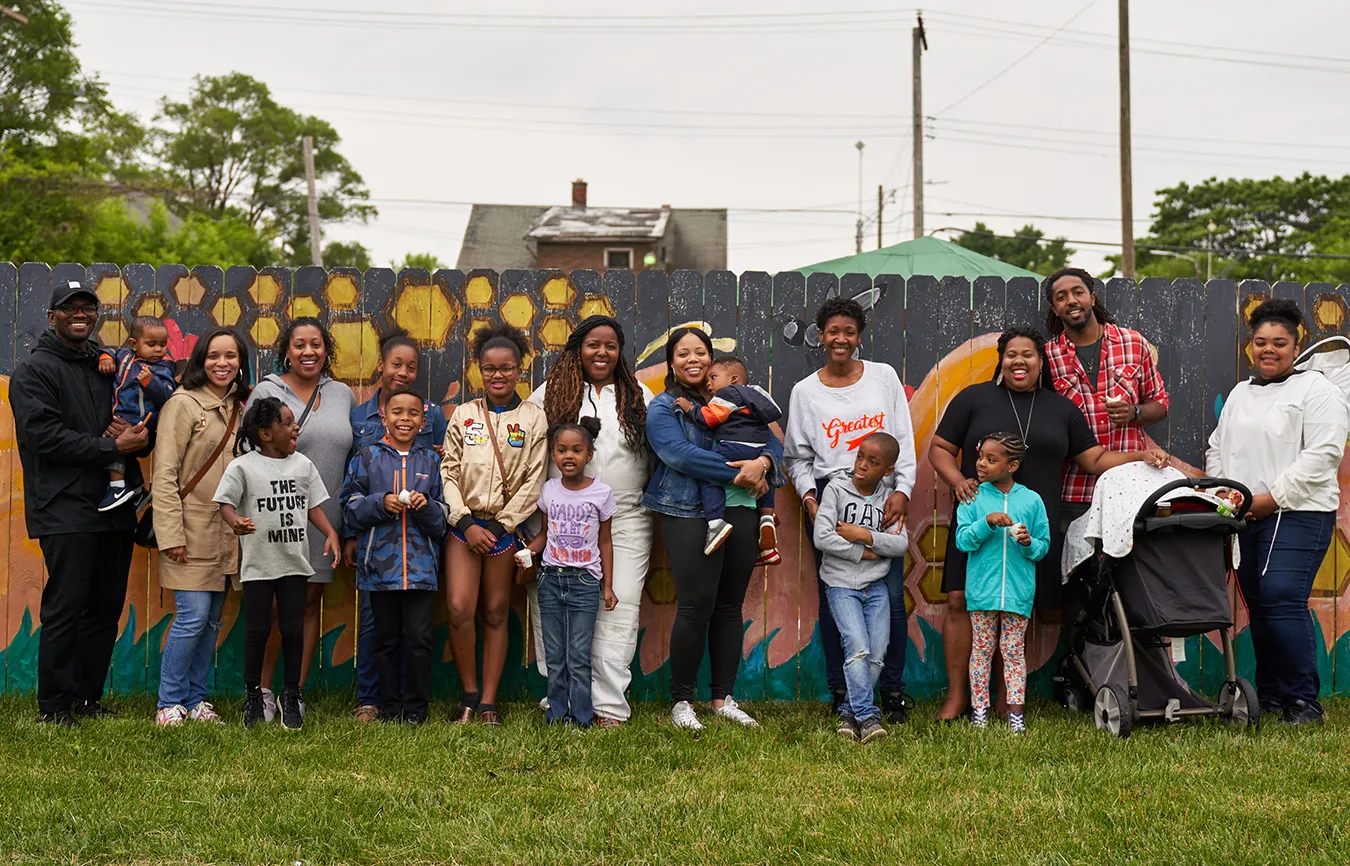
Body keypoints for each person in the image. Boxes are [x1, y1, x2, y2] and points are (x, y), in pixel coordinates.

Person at [929, 327, 1168, 721]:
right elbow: (940, 448)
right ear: (1000, 360)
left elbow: (1094, 459)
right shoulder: (973, 399)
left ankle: (1009, 701)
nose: (1018, 361)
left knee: (1021, 609)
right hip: (977, 517)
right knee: (959, 601)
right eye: (1010, 355)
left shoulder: (1062, 409)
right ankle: (958, 699)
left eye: (1028, 355)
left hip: (1031, 526)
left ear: (1042, 363)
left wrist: (1141, 454)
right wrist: (958, 481)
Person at [10, 277, 150, 726]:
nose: (81, 314)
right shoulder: (35, 372)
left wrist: (137, 439)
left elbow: (131, 420)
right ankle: (53, 707)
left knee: (105, 608)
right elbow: (42, 437)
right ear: (52, 317)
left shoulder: (106, 366)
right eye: (70, 308)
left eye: (88, 308)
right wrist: (113, 449)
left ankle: (86, 699)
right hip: (64, 507)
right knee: (66, 608)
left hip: (114, 507)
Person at [1206, 298, 1347, 726]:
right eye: (1260, 342)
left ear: (1296, 343)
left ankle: (1304, 703)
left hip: (1299, 511)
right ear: (1250, 345)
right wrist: (1227, 496)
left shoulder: (1318, 390)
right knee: (1261, 602)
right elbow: (1217, 448)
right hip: (1245, 515)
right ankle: (1269, 696)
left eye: (1279, 343)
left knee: (1283, 596)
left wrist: (1268, 499)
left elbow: (1323, 455)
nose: (1269, 350)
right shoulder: (1240, 393)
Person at [783, 297, 915, 723]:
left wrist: (904, 490)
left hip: (881, 491)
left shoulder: (883, 378)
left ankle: (891, 691)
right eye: (832, 331)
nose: (841, 339)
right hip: (830, 494)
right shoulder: (805, 391)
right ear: (820, 336)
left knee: (890, 595)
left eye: (849, 331)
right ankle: (842, 692)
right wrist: (808, 496)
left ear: (859, 336)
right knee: (833, 593)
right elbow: (796, 458)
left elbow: (903, 439)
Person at [644, 327, 778, 731]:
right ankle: (682, 701)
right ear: (671, 363)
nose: (693, 359)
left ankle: (723, 698)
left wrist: (765, 465)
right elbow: (677, 454)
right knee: (695, 605)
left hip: (741, 511)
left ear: (710, 359)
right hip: (685, 510)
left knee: (729, 606)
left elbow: (771, 443)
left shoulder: (737, 400)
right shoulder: (665, 407)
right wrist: (738, 473)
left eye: (699, 352)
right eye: (683, 353)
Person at [528, 315, 654, 727]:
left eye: (611, 346)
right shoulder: (549, 394)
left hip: (626, 520)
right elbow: (523, 447)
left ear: (620, 353)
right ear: (577, 349)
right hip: (562, 522)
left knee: (619, 606)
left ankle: (609, 707)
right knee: (556, 614)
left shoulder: (639, 397)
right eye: (593, 345)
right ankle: (560, 702)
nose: (602, 353)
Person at [441, 322, 548, 726]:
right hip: (462, 528)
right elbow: (447, 471)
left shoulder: (533, 419)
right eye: (489, 368)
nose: (498, 375)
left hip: (506, 532)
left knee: (497, 611)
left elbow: (535, 479)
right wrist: (465, 521)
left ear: (520, 369)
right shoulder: (464, 416)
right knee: (458, 608)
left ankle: (487, 703)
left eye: (506, 368)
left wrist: (502, 526)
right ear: (479, 370)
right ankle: (466, 694)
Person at [248, 317, 354, 721]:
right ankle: (263, 691)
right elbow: (251, 449)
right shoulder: (268, 390)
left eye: (316, 344)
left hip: (324, 516)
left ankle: (296, 690)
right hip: (278, 512)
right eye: (299, 345)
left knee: (310, 602)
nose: (308, 352)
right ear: (286, 351)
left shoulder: (341, 393)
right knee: (275, 606)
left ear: (326, 350)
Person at [213, 397, 342, 730]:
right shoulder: (243, 466)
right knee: (257, 629)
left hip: (295, 564)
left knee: (293, 629)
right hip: (259, 564)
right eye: (286, 422)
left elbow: (313, 505)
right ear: (266, 434)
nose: (294, 427)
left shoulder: (302, 465)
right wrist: (234, 521)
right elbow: (225, 502)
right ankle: (254, 695)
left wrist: (330, 533)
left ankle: (291, 695)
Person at [345, 327, 449, 723]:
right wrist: (381, 503)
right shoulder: (369, 456)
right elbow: (350, 503)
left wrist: (422, 507)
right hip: (379, 569)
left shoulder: (432, 462)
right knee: (384, 640)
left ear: (425, 421)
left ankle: (416, 709)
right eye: (397, 413)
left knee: (419, 640)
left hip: (421, 569)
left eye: (413, 414)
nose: (405, 419)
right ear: (383, 416)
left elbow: (443, 517)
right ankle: (386, 706)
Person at [150, 327, 250, 726]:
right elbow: (165, 474)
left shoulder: (239, 407)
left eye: (230, 356)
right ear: (200, 360)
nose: (222, 363)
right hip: (189, 528)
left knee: (211, 619)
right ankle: (168, 703)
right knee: (191, 616)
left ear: (241, 362)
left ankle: (195, 701)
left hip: (226, 532)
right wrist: (170, 535)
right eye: (213, 356)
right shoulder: (184, 404)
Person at [1042, 267, 1170, 527]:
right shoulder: (1047, 357)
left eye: (1078, 293)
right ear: (1055, 309)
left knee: (1130, 565)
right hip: (1074, 492)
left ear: (1092, 297)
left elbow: (1161, 404)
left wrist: (1135, 412)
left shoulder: (1133, 343)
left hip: (1131, 485)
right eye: (1062, 297)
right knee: (1075, 568)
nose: (1072, 301)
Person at [812, 432, 909, 744]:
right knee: (857, 646)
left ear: (888, 470)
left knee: (877, 653)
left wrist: (863, 534)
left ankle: (848, 713)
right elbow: (822, 537)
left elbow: (900, 543)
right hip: (840, 584)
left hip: (876, 586)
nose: (862, 465)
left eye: (873, 462)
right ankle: (867, 716)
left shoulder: (889, 499)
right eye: (860, 457)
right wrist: (864, 551)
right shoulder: (836, 490)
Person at [522, 419, 618, 727]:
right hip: (550, 579)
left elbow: (605, 540)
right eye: (562, 450)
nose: (569, 456)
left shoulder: (601, 493)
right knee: (554, 655)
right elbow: (545, 533)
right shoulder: (549, 490)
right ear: (552, 454)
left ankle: (582, 718)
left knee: (578, 655)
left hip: (584, 582)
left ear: (589, 455)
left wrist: (608, 586)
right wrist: (528, 552)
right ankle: (556, 715)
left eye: (577, 450)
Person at [954, 432, 1050, 735]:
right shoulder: (973, 497)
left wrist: (1027, 542)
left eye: (990, 459)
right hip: (982, 592)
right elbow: (962, 541)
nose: (981, 463)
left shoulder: (1032, 500)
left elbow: (1043, 546)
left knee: (1012, 652)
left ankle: (1015, 712)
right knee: (980, 652)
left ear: (1013, 466)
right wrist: (986, 522)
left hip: (1018, 593)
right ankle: (979, 711)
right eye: (980, 456)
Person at [673, 356, 783, 562]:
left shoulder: (729, 393)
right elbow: (774, 440)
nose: (709, 384)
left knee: (709, 475)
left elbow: (710, 418)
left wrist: (690, 408)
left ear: (733, 379)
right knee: (767, 477)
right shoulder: (756, 396)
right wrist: (761, 464)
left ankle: (715, 524)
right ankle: (767, 519)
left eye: (713, 377)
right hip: (758, 449)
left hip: (734, 447)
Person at [96, 315, 177, 512]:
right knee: (115, 446)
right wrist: (105, 357)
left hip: (141, 420)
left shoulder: (161, 368)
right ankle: (138, 490)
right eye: (151, 344)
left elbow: (168, 396)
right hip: (121, 416)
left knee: (112, 441)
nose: (158, 350)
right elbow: (109, 352)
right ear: (133, 343)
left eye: (163, 344)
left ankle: (117, 488)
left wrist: (151, 382)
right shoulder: (124, 356)